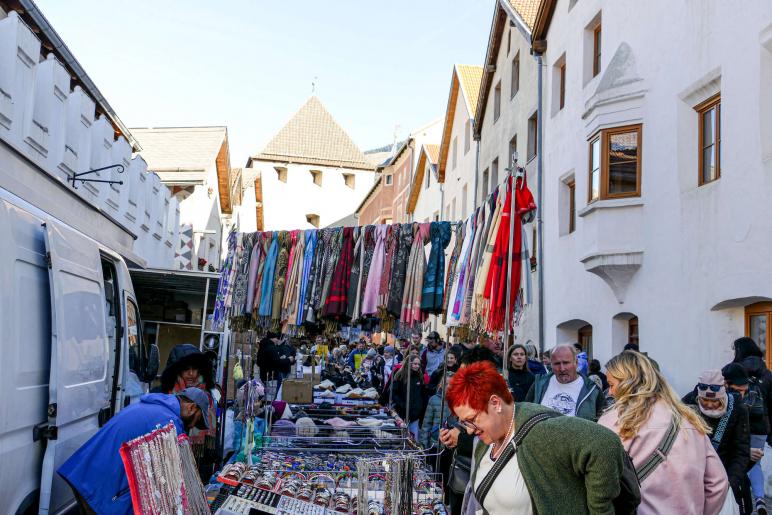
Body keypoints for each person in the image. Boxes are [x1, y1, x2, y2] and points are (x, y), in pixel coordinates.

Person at [445, 361, 626, 514]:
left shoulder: (541, 431)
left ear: (495, 403)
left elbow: (604, 444)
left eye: (472, 420)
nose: (469, 431)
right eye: (465, 423)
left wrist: (599, 509)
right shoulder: (488, 441)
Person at [600, 351, 729, 515]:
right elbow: (718, 482)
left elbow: (602, 484)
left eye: (611, 385)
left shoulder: (613, 422)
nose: (609, 392)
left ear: (627, 383)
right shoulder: (689, 420)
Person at [58, 388, 209, 514]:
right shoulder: (169, 423)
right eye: (197, 420)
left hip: (84, 474)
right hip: (101, 489)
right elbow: (168, 479)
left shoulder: (153, 406)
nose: (193, 427)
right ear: (191, 408)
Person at [683, 369, 752, 514]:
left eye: (714, 401)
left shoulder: (738, 409)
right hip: (695, 481)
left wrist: (730, 484)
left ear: (723, 395)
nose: (709, 404)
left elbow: (741, 451)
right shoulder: (687, 405)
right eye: (704, 400)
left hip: (726, 477)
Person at [723, 359, 770, 515]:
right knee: (752, 464)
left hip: (756, 429)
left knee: (750, 463)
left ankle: (755, 500)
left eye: (744, 391)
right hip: (760, 429)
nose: (741, 395)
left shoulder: (739, 405)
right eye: (738, 391)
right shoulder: (711, 404)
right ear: (724, 385)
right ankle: (759, 499)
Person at [524, 344, 605, 420]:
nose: (562, 368)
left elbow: (602, 423)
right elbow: (526, 411)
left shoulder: (592, 390)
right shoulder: (539, 384)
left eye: (566, 363)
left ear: (576, 363)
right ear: (551, 365)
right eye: (557, 363)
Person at [392, 355, 426, 440]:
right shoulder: (400, 375)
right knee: (401, 438)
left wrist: (420, 407)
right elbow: (393, 393)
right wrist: (402, 404)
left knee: (414, 439)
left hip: (415, 414)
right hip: (402, 413)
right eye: (415, 364)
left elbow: (422, 394)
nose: (417, 366)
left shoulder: (420, 376)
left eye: (418, 364)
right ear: (409, 363)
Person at [421, 371, 455, 450]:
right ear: (441, 385)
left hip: (453, 445)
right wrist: (424, 445)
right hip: (435, 444)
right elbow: (426, 425)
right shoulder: (433, 400)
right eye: (446, 384)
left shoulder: (460, 401)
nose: (449, 386)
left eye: (452, 384)